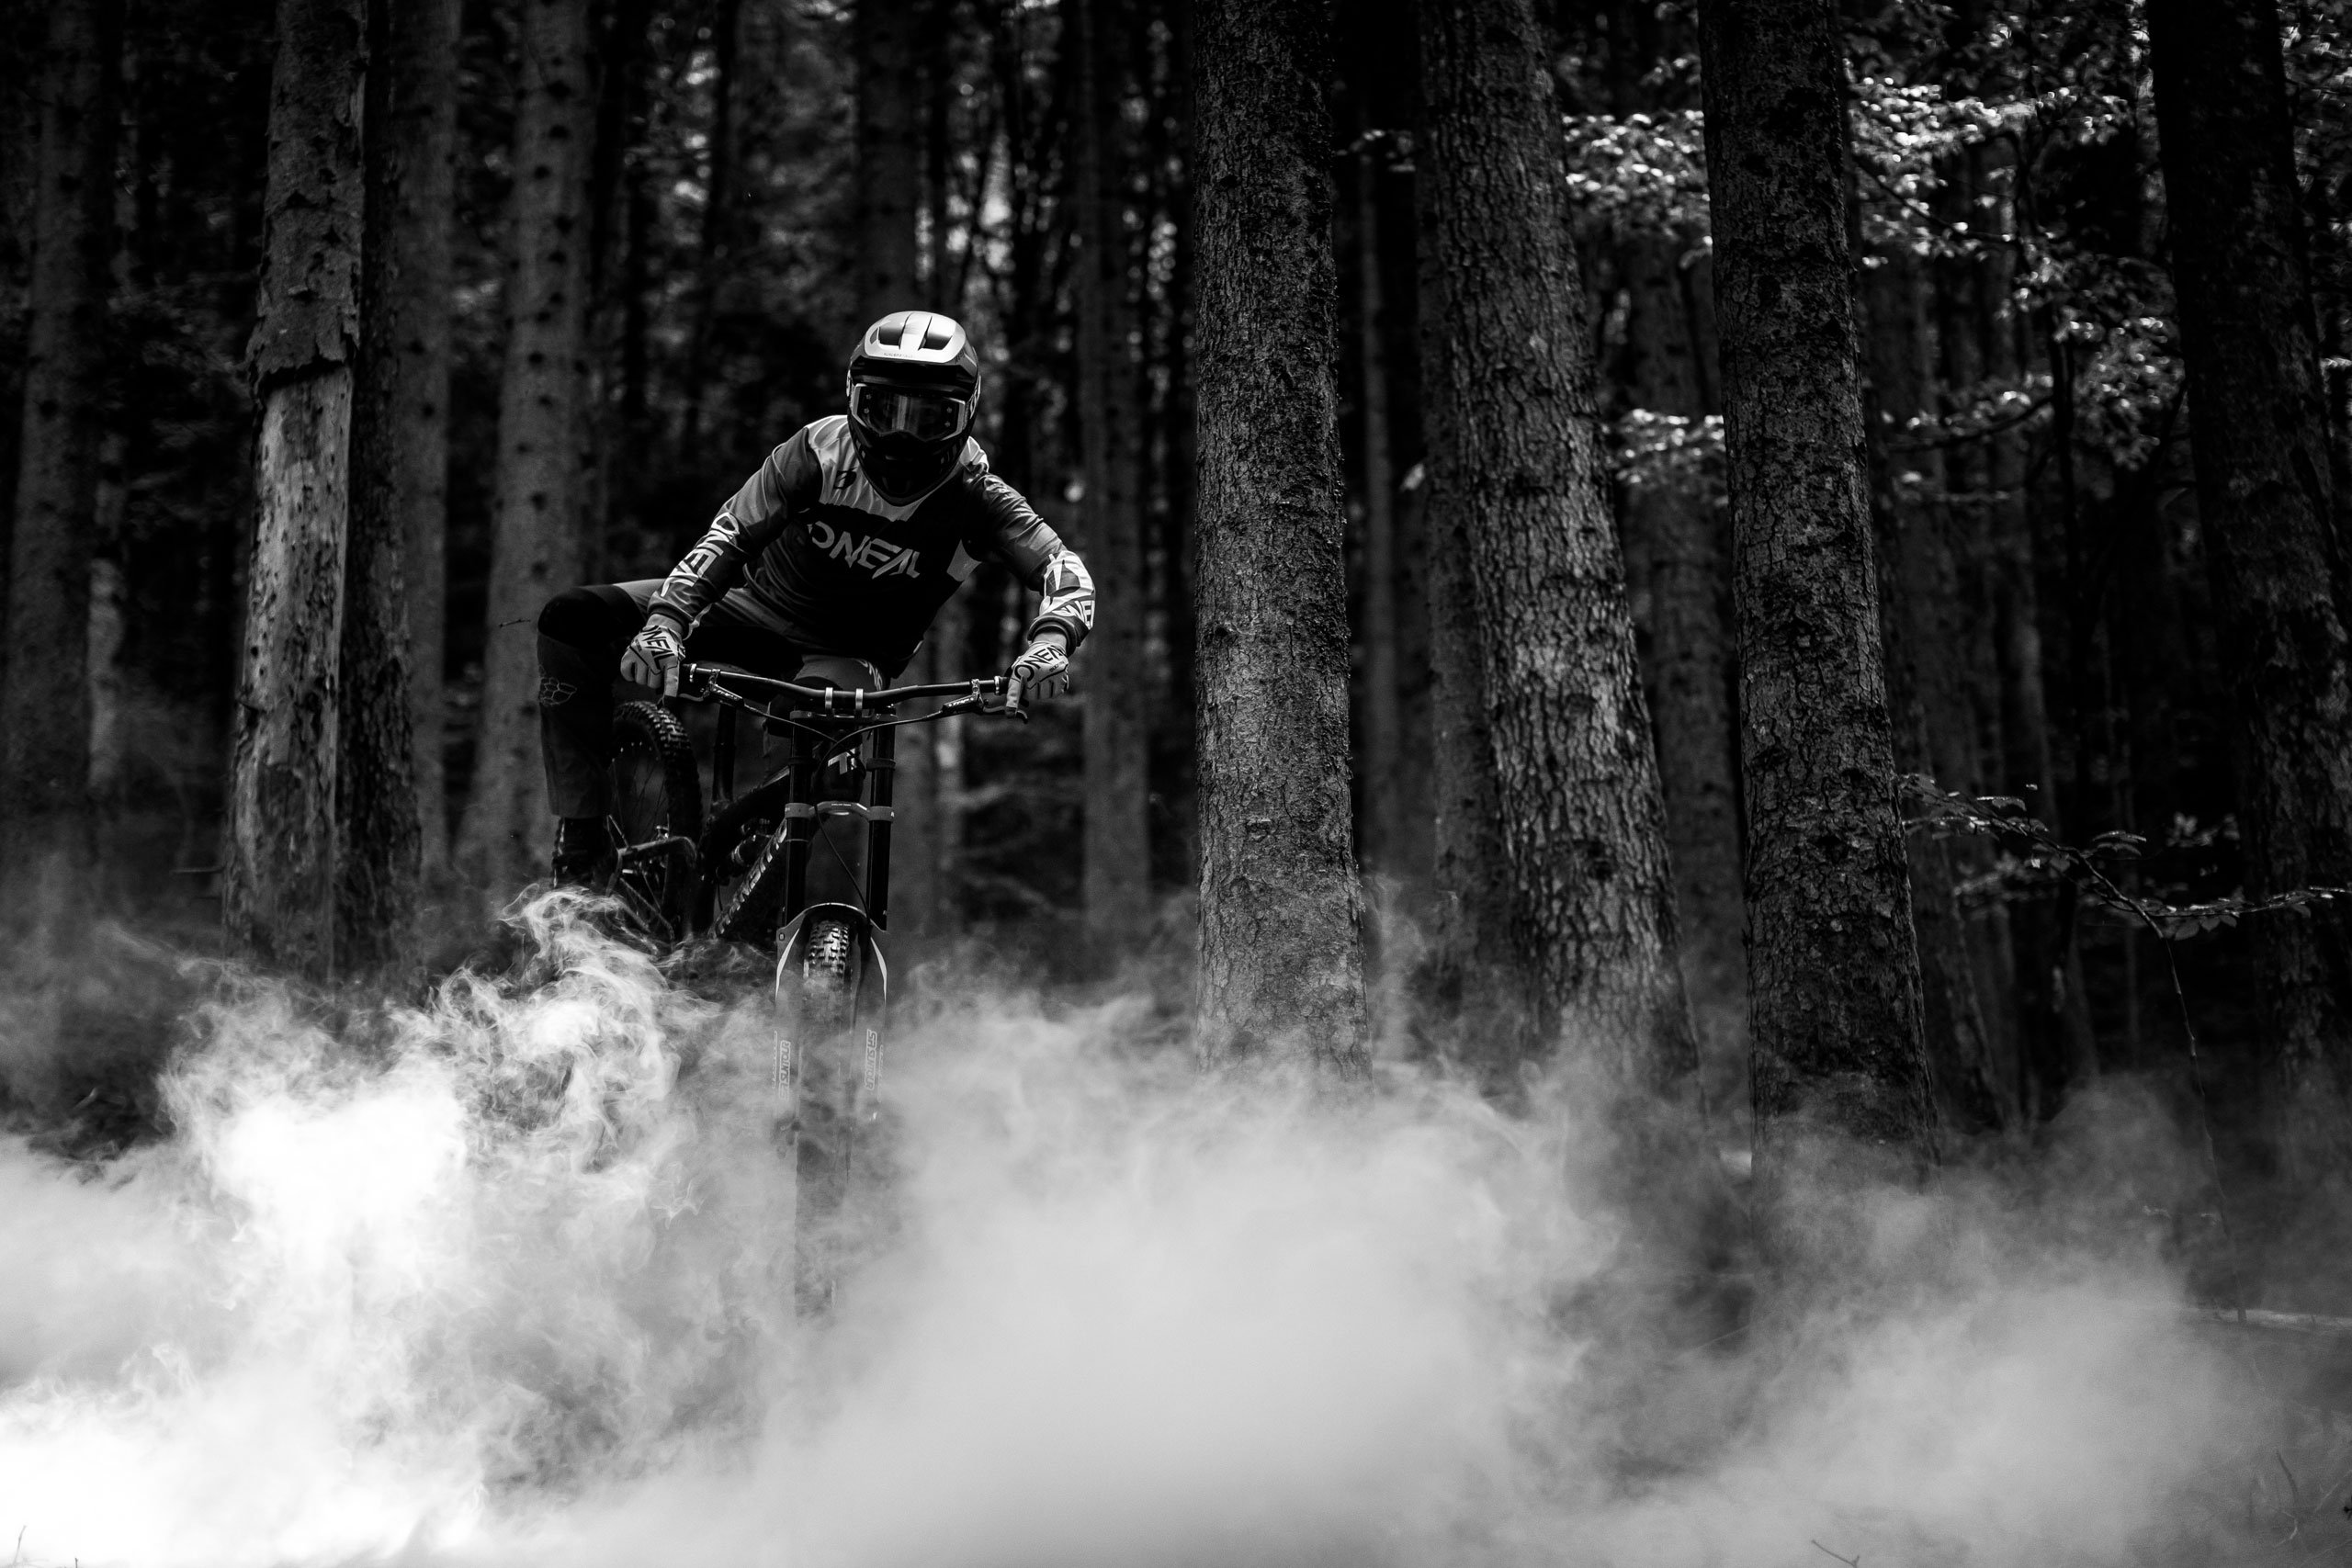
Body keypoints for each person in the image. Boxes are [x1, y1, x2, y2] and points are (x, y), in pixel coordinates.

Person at [535, 310, 1096, 884]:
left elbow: (1064, 568)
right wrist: (666, 623)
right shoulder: (817, 454)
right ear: (853, 400)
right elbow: (729, 534)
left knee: (822, 776)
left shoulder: (979, 498)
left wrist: (1049, 645)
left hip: (845, 660)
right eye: (883, 410)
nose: (901, 437)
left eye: (929, 420)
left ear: (966, 417)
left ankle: (757, 878)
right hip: (748, 613)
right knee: (570, 620)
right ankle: (581, 832)